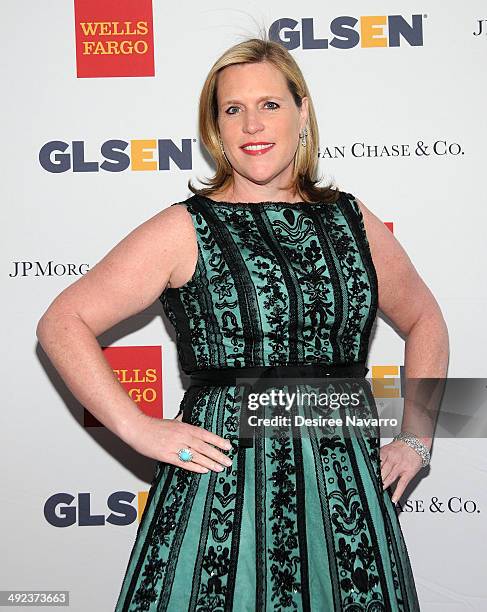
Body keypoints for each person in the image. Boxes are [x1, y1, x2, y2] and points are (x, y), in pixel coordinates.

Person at [36, 37, 449, 611]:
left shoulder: (352, 220)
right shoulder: (184, 229)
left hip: (343, 495)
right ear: (216, 128)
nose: (252, 123)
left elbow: (426, 318)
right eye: (233, 109)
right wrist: (137, 428)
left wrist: (415, 437)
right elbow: (63, 321)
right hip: (222, 491)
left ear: (302, 112)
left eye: (270, 105)